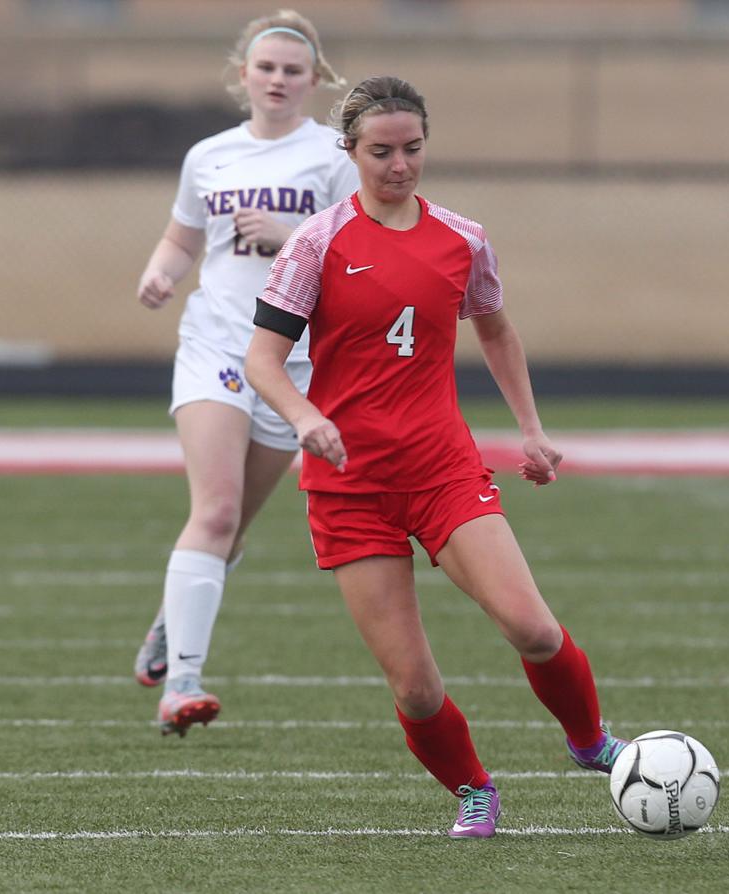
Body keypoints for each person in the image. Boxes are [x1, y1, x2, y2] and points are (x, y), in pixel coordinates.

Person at [242, 75, 628, 839]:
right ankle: (475, 790)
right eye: (381, 151)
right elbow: (261, 359)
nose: (400, 165)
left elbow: (496, 330)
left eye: (412, 148)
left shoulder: (463, 238)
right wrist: (305, 415)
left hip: (442, 470)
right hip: (350, 487)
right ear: (349, 151)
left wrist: (531, 429)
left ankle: (590, 743)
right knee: (415, 687)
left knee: (534, 630)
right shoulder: (316, 244)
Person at [132, 9, 358, 736]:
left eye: (294, 70)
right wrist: (162, 272)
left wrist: (291, 234)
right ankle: (182, 687)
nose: (279, 80)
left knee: (232, 527)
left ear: (314, 79)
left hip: (292, 362)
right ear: (244, 76)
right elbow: (182, 237)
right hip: (217, 347)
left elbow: (362, 250)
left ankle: (172, 619)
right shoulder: (210, 156)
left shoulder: (334, 154)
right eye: (267, 68)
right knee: (218, 509)